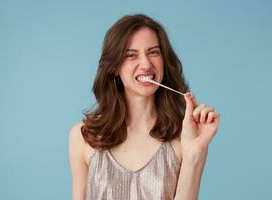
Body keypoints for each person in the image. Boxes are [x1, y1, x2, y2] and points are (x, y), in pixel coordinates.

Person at [69, 14, 220, 200]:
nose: (146, 64)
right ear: (115, 67)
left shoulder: (184, 138)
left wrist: (194, 152)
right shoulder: (82, 136)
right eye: (131, 55)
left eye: (153, 52)